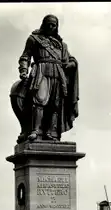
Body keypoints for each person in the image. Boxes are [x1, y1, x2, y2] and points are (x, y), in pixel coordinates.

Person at [17, 14, 79, 142]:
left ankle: (52, 132)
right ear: (43, 24)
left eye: (54, 25)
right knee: (39, 100)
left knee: (55, 105)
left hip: (58, 74)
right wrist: (23, 70)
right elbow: (25, 57)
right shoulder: (34, 39)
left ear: (57, 27)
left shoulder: (62, 45)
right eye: (48, 24)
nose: (51, 27)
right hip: (41, 72)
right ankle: (35, 131)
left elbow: (71, 59)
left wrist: (72, 64)